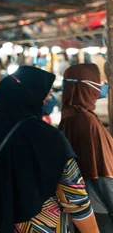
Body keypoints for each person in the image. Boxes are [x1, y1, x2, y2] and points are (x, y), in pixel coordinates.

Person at [0, 66, 99, 233]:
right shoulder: (50, 138)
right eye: (47, 95)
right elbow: (76, 201)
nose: (50, 99)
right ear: (32, 95)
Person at [60, 64, 113, 232]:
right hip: (98, 208)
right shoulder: (85, 121)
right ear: (85, 86)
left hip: (81, 206)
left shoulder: (70, 115)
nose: (102, 85)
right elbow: (101, 173)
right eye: (98, 81)